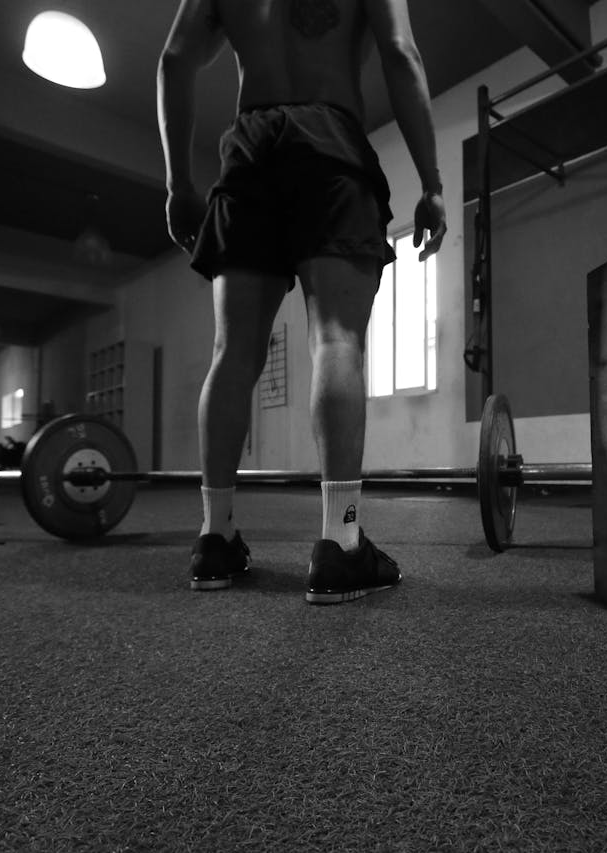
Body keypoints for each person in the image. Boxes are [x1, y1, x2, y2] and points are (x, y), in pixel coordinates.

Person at [157, 0, 447, 601]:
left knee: (232, 353)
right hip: (330, 144)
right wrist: (433, 183)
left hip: (249, 153)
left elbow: (175, 60)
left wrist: (179, 185)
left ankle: (215, 538)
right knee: (336, 339)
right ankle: (340, 545)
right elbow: (399, 52)